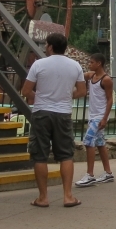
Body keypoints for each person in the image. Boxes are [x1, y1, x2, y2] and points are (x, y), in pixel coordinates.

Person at [21, 32, 87, 208]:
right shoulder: (75, 66)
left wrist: (40, 97)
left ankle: (43, 197)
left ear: (50, 46)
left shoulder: (39, 64)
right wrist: (64, 96)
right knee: (66, 155)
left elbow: (26, 91)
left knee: (40, 156)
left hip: (42, 111)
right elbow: (81, 91)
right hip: (63, 113)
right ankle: (68, 196)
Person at [75, 53, 115, 188]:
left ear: (99, 63)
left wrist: (105, 118)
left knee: (88, 141)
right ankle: (108, 173)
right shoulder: (91, 76)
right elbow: (79, 75)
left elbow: (110, 100)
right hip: (93, 115)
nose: (89, 64)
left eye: (92, 62)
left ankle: (90, 175)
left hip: (99, 116)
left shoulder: (106, 79)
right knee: (99, 143)